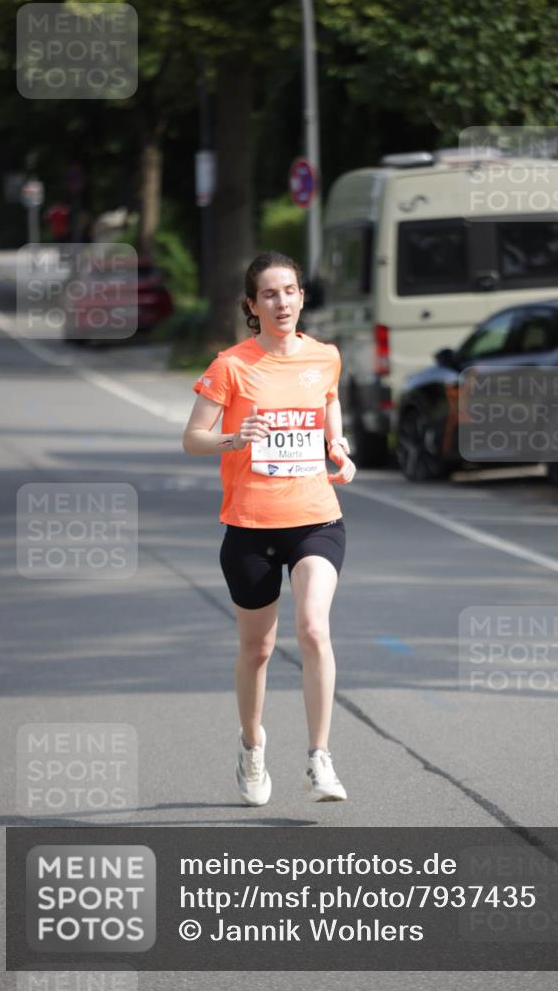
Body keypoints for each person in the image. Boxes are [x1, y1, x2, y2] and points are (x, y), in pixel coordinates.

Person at [182, 252, 356, 806]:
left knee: (313, 629)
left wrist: (339, 446)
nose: (282, 302)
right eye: (270, 295)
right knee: (257, 649)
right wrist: (234, 438)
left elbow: (327, 404)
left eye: (290, 291)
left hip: (316, 517)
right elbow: (193, 437)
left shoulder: (325, 356)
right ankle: (252, 746)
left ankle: (319, 759)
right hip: (251, 523)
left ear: (302, 296)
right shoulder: (232, 365)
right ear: (252, 306)